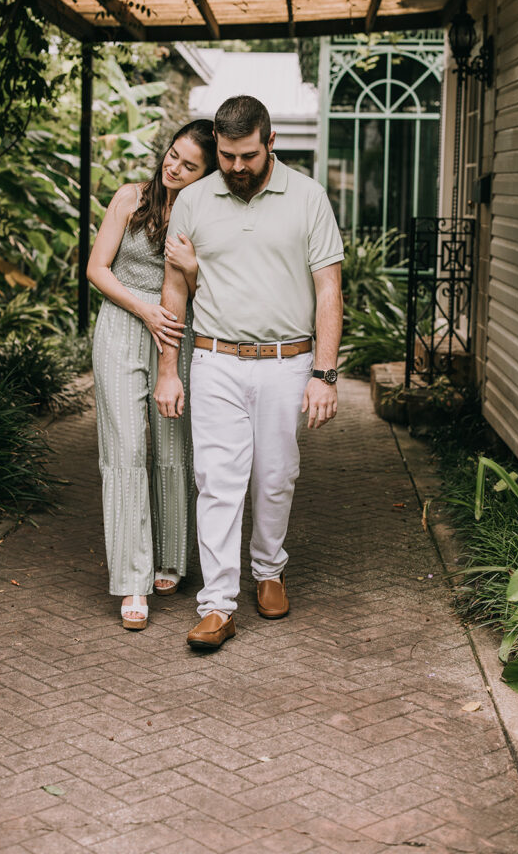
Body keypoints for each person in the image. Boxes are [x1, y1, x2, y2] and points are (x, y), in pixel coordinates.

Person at [154, 95, 344, 651]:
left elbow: (328, 288)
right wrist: (171, 369)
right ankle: (216, 605)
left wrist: (325, 374)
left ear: (270, 143)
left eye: (248, 156)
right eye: (226, 155)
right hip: (214, 360)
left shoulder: (308, 197)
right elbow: (174, 288)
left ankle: (268, 569)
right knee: (216, 481)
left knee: (276, 476)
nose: (235, 167)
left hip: (288, 363)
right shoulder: (191, 200)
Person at [88, 120, 217, 630]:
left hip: (177, 331)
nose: (174, 167)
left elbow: (217, 282)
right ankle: (130, 581)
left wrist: (194, 271)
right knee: (124, 450)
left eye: (189, 165)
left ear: (205, 175)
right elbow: (97, 268)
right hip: (122, 323)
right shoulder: (129, 198)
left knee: (171, 444)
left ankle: (171, 558)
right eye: (173, 155)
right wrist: (142, 308)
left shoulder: (205, 217)